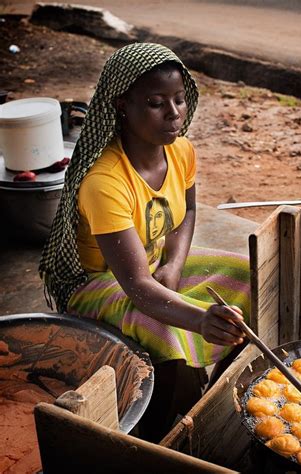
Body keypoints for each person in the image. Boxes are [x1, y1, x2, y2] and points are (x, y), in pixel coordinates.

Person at [39, 43, 250, 440]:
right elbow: (136, 286)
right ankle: (155, 433)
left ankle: (219, 395)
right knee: (166, 327)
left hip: (152, 268)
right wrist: (200, 319)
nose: (173, 114)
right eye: (156, 102)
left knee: (247, 275)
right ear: (122, 105)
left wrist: (172, 266)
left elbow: (187, 212)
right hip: (99, 286)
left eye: (179, 100)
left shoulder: (181, 150)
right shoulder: (106, 182)